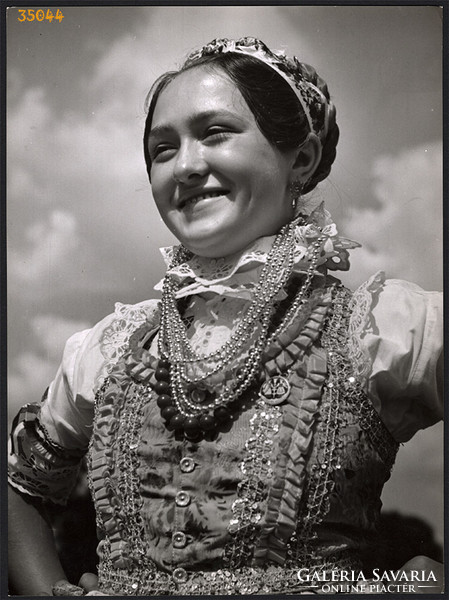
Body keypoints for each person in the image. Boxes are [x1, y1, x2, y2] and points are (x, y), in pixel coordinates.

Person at [8, 37, 444, 596]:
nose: (186, 166)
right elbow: (22, 485)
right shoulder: (111, 348)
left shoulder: (385, 328)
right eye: (162, 149)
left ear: (302, 158)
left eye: (214, 132)